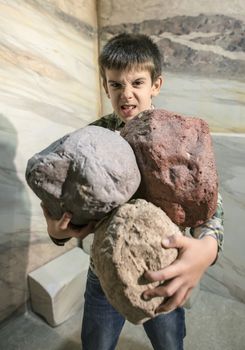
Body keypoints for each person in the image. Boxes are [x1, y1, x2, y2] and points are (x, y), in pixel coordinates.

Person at [41, 33, 224, 350]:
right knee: (96, 342)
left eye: (137, 83)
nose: (126, 94)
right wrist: (57, 231)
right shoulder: (93, 137)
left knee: (170, 342)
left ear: (156, 84)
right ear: (105, 85)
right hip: (104, 270)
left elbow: (208, 203)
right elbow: (68, 205)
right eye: (116, 84)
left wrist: (207, 249)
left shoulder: (178, 134)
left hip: (162, 266)